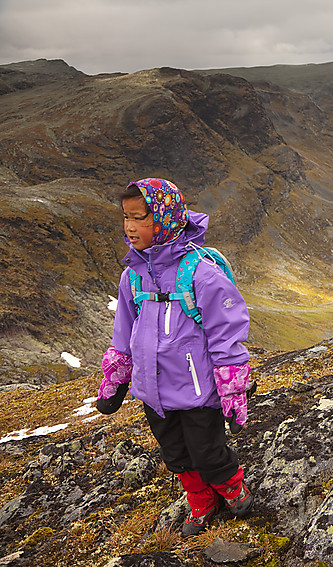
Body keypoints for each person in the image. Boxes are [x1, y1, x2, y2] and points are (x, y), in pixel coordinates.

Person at [96, 178, 254, 537]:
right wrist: (116, 378)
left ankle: (231, 488)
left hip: (198, 392)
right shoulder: (131, 277)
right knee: (177, 455)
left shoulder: (200, 273)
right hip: (153, 392)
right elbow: (123, 333)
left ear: (165, 219)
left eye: (139, 217)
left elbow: (226, 330)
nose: (130, 226)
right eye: (126, 217)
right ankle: (201, 502)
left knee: (208, 452)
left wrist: (232, 386)